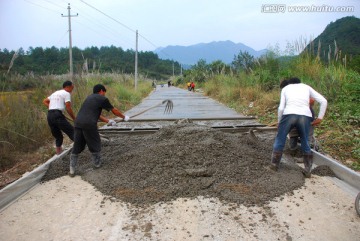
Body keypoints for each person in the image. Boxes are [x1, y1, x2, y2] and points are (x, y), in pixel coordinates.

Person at [270, 77, 327, 178]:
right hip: (305, 116)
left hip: (289, 114)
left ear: (289, 83)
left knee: (280, 139)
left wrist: (279, 122)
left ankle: (274, 165)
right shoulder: (306, 87)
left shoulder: (285, 89)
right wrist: (320, 117)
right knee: (305, 141)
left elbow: (281, 108)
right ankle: (307, 170)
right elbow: (323, 101)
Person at [69, 84, 130, 177]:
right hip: (89, 124)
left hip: (78, 123)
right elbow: (114, 110)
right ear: (101, 91)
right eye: (104, 92)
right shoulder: (102, 99)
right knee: (95, 143)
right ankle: (97, 165)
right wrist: (124, 117)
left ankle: (72, 169)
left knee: (77, 145)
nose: (104, 94)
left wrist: (108, 120)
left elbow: (94, 113)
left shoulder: (89, 98)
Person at [43, 80, 76, 155]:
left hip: (50, 116)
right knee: (72, 132)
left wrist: (52, 107)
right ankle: (81, 148)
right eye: (72, 88)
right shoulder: (66, 93)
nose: (72, 91)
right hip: (57, 115)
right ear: (68, 87)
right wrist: (74, 118)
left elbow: (44, 101)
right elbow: (68, 107)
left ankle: (59, 153)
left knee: (58, 136)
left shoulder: (55, 93)